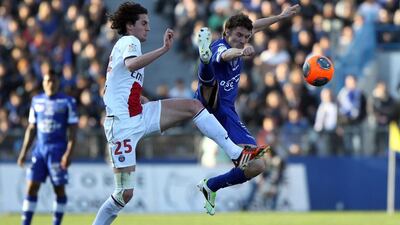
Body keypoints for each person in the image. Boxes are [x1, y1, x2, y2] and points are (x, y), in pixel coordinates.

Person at [92, 2, 267, 224]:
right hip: (121, 128)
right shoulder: (130, 41)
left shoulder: (125, 44)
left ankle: (236, 154)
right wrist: (164, 49)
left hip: (139, 114)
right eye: (144, 23)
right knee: (123, 194)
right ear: (129, 25)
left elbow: (117, 85)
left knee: (194, 107)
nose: (148, 27)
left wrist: (139, 98)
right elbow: (131, 65)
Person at [195, 4, 300, 215]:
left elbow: (255, 26)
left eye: (246, 37)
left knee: (257, 166)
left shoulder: (242, 38)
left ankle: (211, 186)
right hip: (210, 106)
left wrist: (280, 16)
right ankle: (203, 63)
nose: (243, 40)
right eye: (238, 35)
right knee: (209, 82)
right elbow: (226, 55)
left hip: (228, 113)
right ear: (227, 33)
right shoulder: (220, 47)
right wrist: (241, 51)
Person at [17, 69, 78, 225]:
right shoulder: (36, 101)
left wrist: (68, 153)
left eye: (52, 81)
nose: (49, 84)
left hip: (58, 150)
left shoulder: (67, 102)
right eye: (46, 81)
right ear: (43, 83)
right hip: (40, 150)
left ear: (58, 83)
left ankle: (56, 223)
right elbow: (31, 128)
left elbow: (73, 130)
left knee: (59, 189)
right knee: (31, 187)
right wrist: (23, 152)